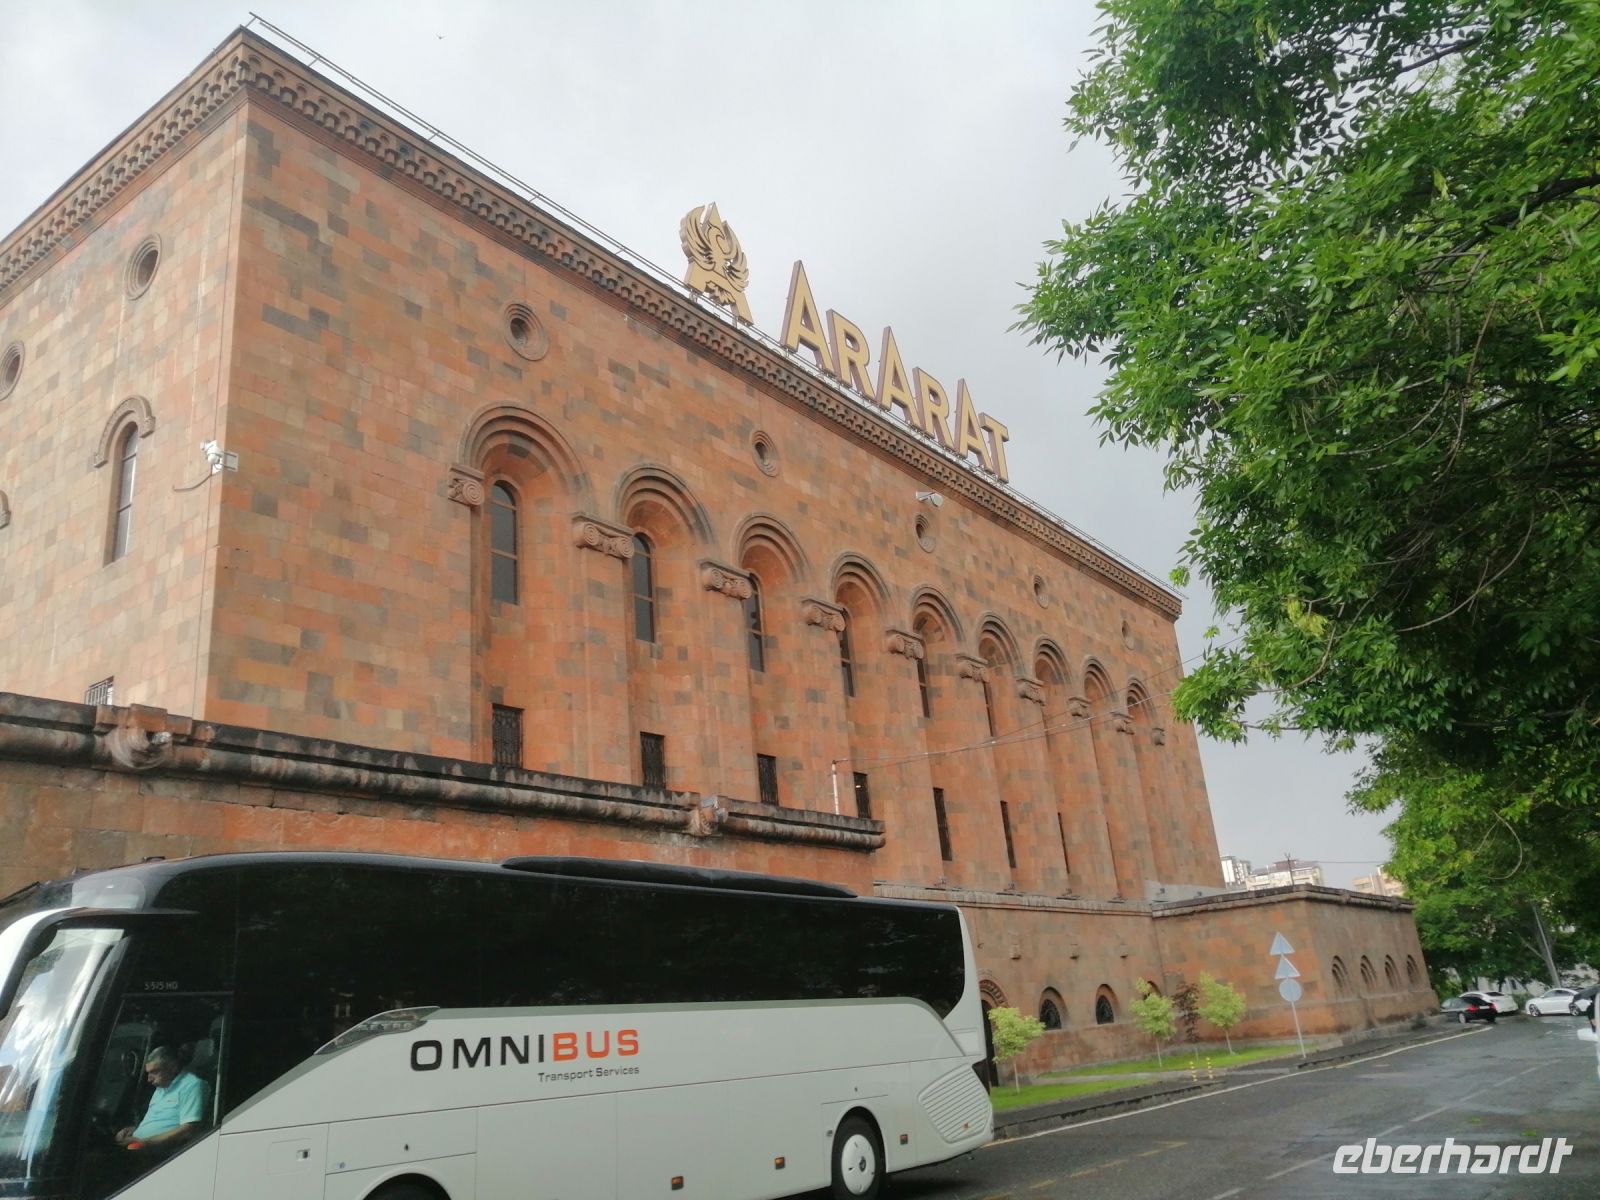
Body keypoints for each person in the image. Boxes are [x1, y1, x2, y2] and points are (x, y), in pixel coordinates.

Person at [115, 1047, 209, 1150]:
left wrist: (145, 1142)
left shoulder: (191, 1085)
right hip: (138, 1145)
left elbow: (188, 1129)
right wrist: (134, 1130)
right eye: (148, 1073)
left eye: (154, 1072)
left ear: (172, 1067)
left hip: (160, 1153)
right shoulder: (161, 1087)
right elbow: (159, 1121)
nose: (149, 1079)